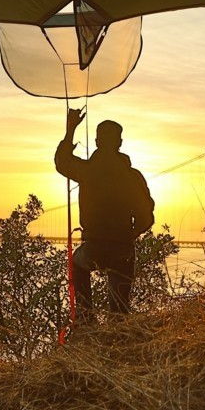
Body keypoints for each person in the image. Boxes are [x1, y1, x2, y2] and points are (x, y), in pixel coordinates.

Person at [55, 108, 154, 322]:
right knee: (119, 312)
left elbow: (62, 162)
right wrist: (129, 234)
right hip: (123, 248)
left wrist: (70, 129)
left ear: (98, 141)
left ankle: (85, 319)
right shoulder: (132, 177)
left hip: (94, 247)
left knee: (77, 263)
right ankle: (118, 336)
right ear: (120, 143)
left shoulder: (88, 171)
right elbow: (146, 218)